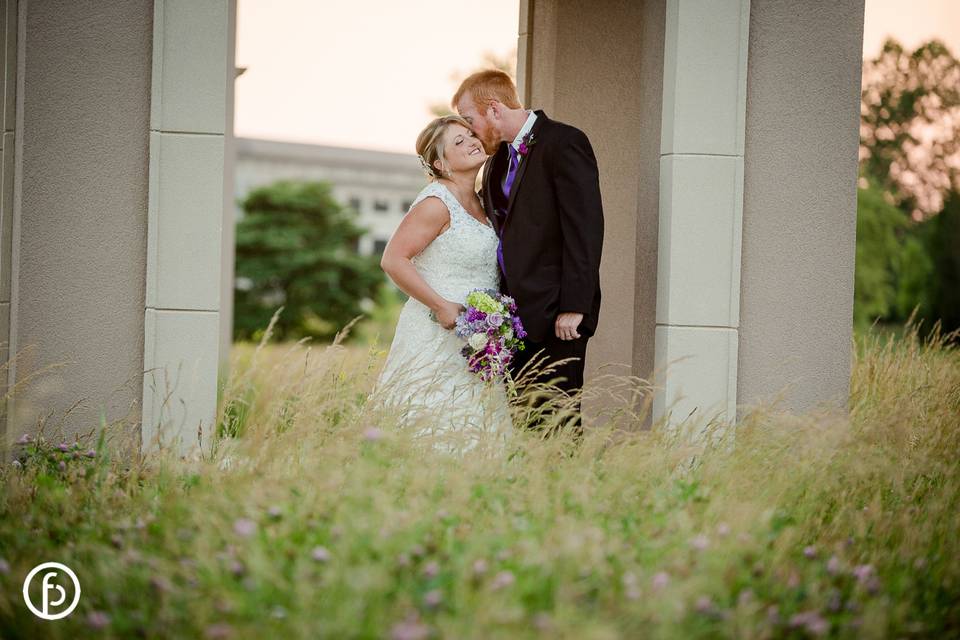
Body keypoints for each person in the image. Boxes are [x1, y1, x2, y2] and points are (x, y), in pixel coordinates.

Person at [452, 70, 604, 433]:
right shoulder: (496, 163)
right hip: (511, 322)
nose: (471, 131)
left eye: (470, 121)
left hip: (558, 316)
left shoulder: (564, 142)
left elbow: (584, 229)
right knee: (524, 423)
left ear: (493, 108)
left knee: (559, 424)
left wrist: (575, 305)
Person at [375, 115, 512, 450]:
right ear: (439, 163)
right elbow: (393, 260)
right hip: (436, 333)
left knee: (477, 427)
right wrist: (441, 306)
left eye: (470, 134)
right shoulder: (436, 203)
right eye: (458, 142)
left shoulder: (483, 202)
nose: (471, 142)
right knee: (432, 424)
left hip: (479, 340)